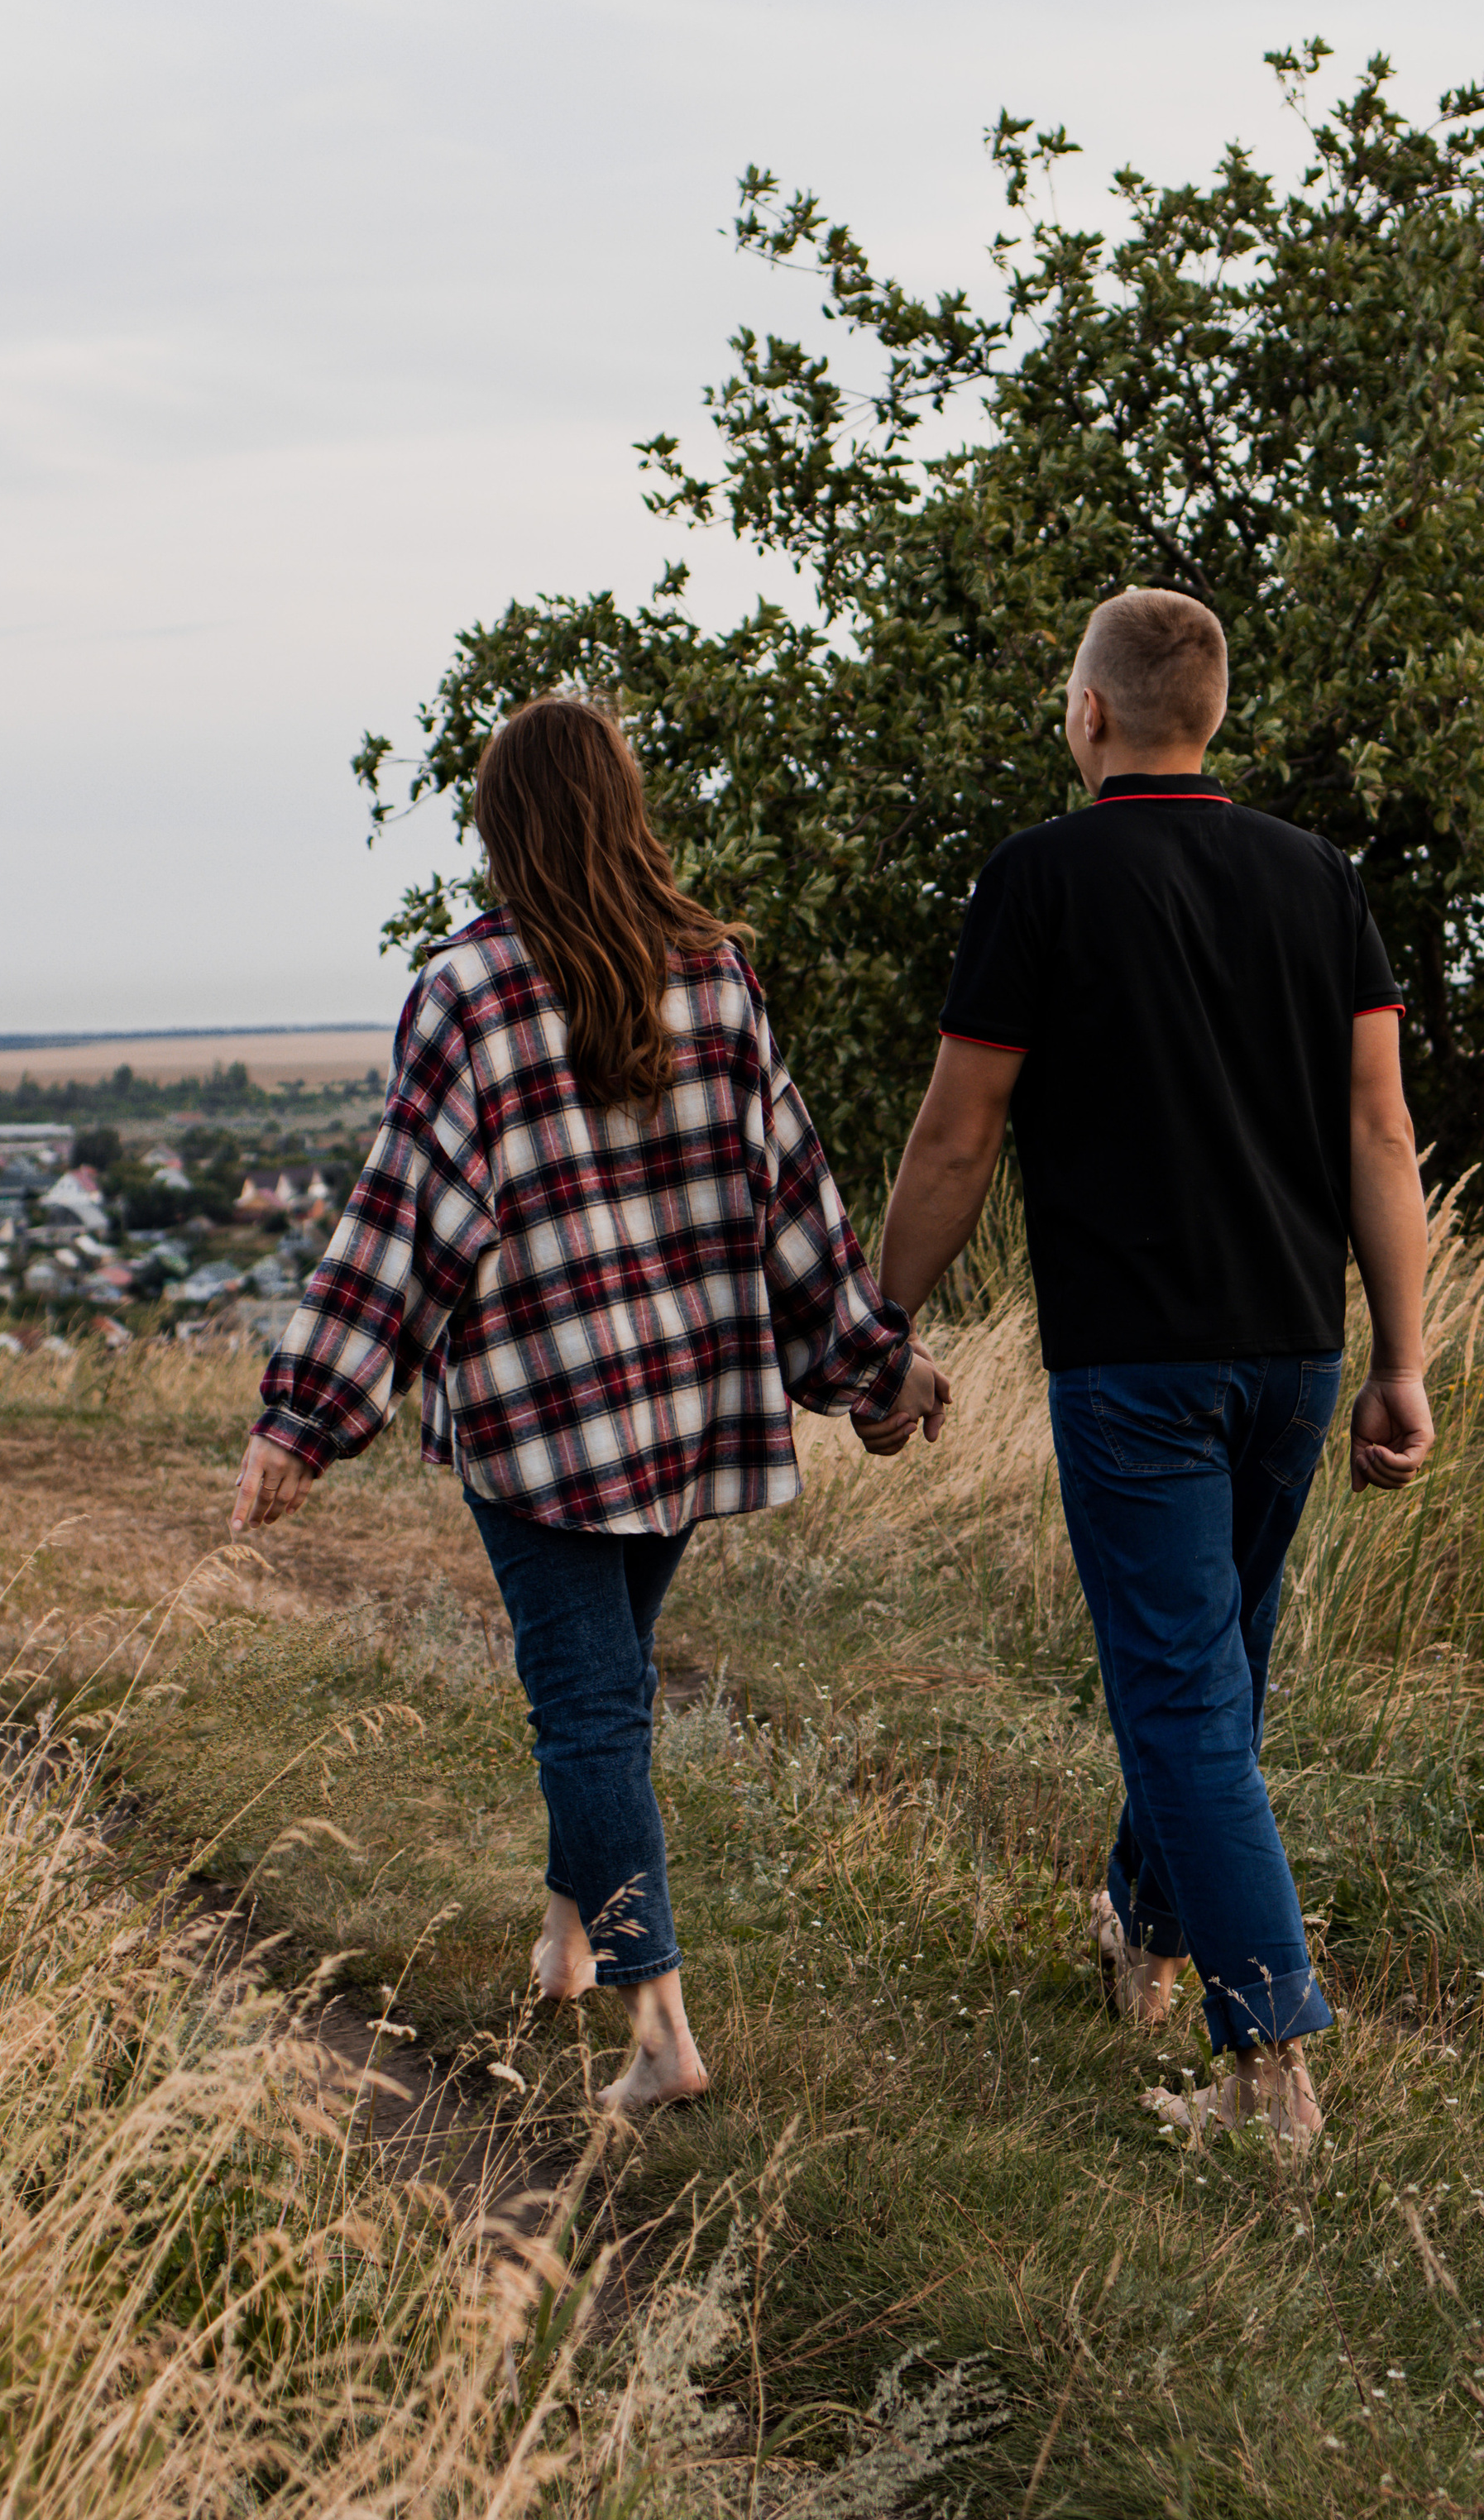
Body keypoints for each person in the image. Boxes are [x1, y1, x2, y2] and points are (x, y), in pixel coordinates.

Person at [229, 695, 948, 2117]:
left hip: (542, 1423)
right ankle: (568, 1942)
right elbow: (792, 1209)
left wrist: (301, 1417)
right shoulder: (715, 977)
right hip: (683, 1415)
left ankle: (659, 2028)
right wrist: (876, 1369)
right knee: (598, 1683)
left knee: (590, 1709)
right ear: (625, 812)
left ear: (500, 831)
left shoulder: (469, 992)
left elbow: (403, 1224)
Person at [874, 587, 1433, 2145]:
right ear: (1217, 714)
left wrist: (877, 1325)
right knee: (1215, 1686)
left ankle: (1272, 2062)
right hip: (1295, 1353)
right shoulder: (1318, 881)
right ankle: (1143, 1921)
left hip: (1135, 1367)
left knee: (1189, 1701)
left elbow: (957, 1130)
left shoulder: (1038, 879)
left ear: (1091, 715)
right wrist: (1407, 1360)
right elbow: (1380, 1133)